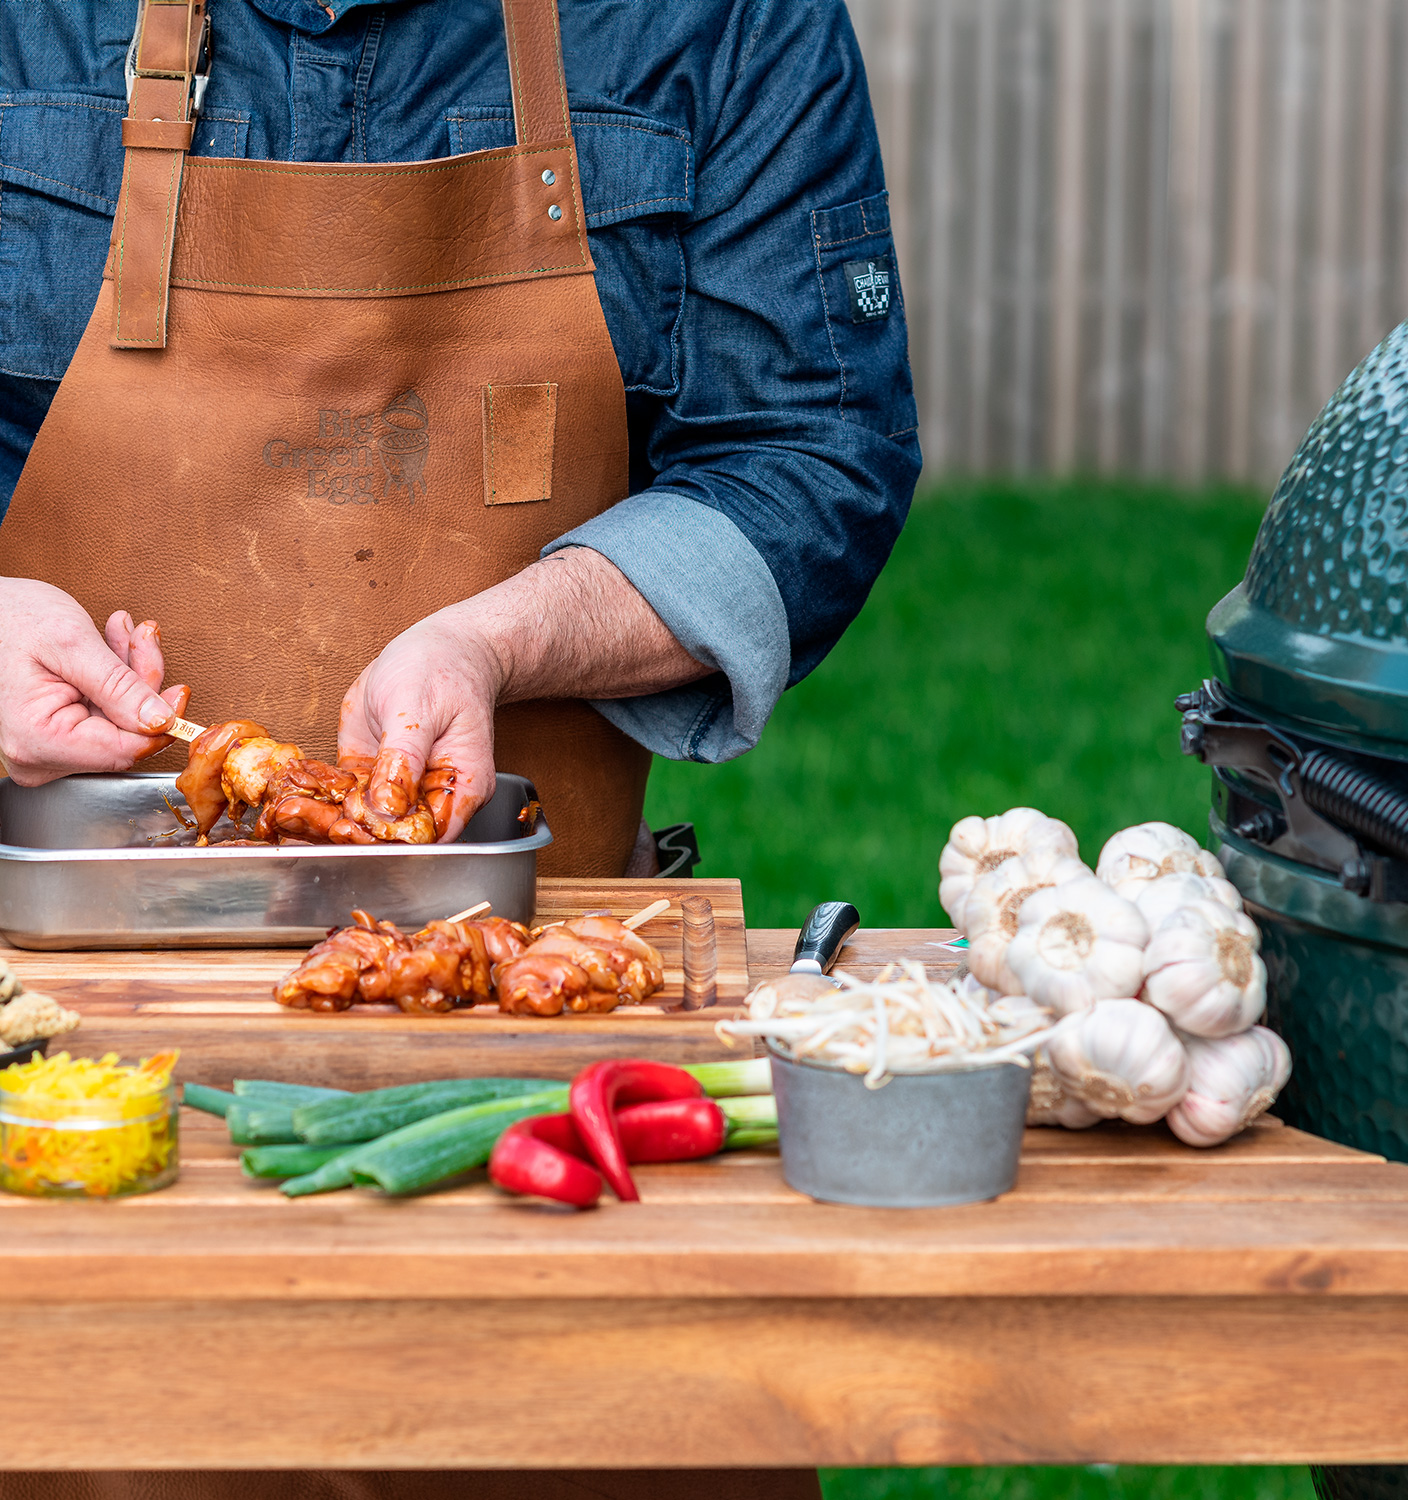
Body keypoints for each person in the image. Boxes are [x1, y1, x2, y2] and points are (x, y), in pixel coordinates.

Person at [0, 0, 920, 881]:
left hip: (528, 956)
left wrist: (500, 642)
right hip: (40, 954)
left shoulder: (727, 21)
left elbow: (810, 461)